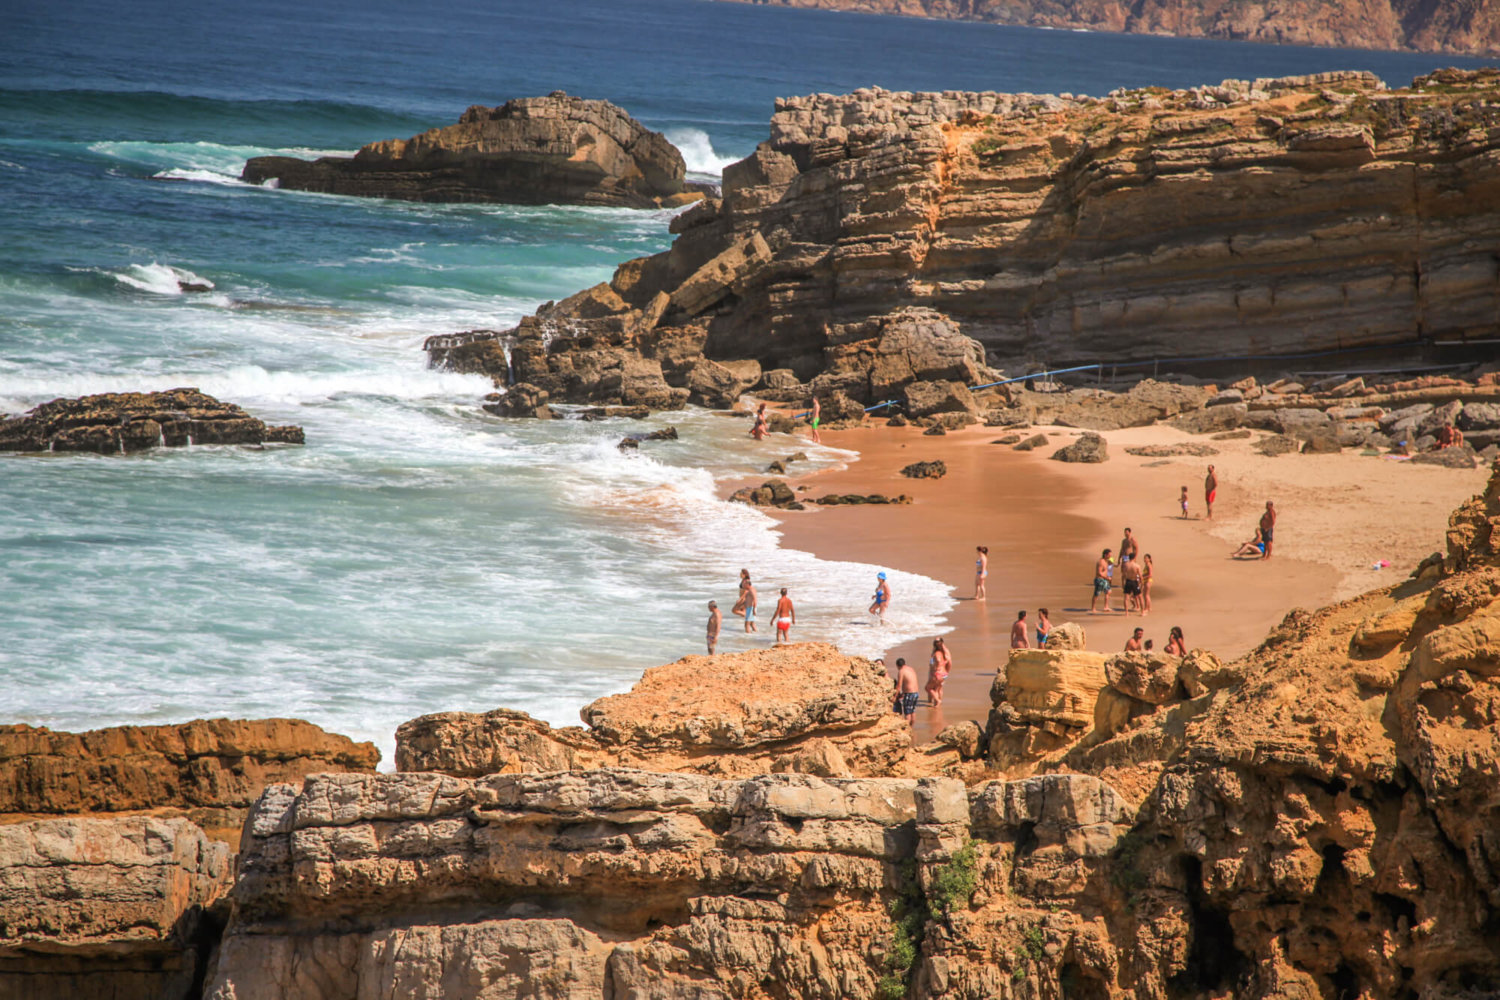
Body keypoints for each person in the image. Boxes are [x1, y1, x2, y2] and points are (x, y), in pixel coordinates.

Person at [893, 657, 920, 725]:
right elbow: (910, 682)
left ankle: (907, 728)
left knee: (907, 713)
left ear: (897, 666)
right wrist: (903, 693)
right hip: (916, 693)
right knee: (912, 711)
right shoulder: (911, 669)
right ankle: (911, 727)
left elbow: (899, 685)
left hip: (909, 694)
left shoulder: (901, 671)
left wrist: (895, 696)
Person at [925, 638, 951, 707]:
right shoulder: (945, 651)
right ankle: (937, 702)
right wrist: (946, 672)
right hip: (944, 673)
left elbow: (935, 662)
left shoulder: (936, 653)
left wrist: (935, 667)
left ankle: (937, 701)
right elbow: (949, 662)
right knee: (938, 688)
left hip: (938, 672)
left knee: (929, 688)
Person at [1091, 549, 1113, 613]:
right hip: (1100, 580)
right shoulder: (1101, 562)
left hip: (1105, 580)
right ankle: (1093, 608)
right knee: (1096, 594)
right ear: (1105, 555)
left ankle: (1106, 607)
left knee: (1108, 591)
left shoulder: (1106, 561)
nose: (1110, 556)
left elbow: (1109, 568)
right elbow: (1099, 573)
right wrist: (1107, 578)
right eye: (1109, 555)